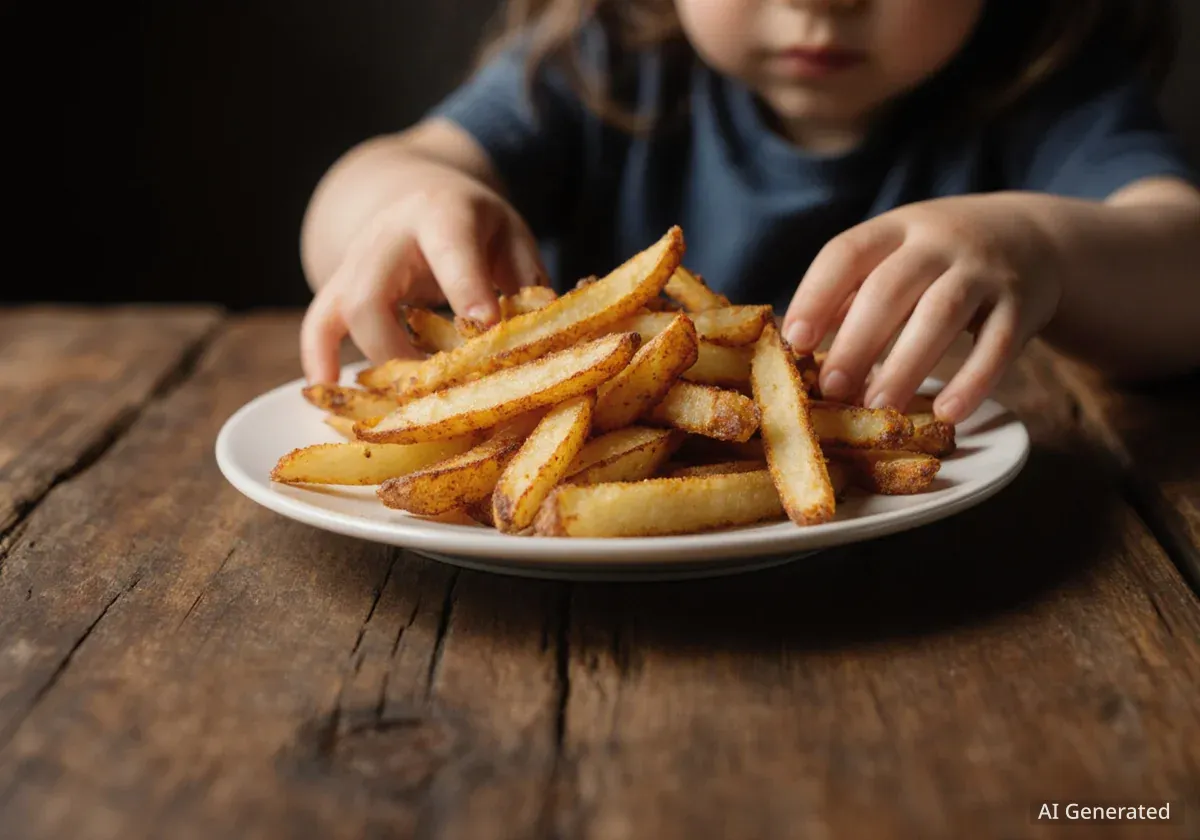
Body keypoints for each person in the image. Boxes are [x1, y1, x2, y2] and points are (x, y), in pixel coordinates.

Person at [298, 0, 1200, 423]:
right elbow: (372, 179)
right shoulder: (601, 60)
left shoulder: (1045, 86)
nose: (821, 2)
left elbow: (1184, 265)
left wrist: (1043, 247)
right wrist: (406, 204)